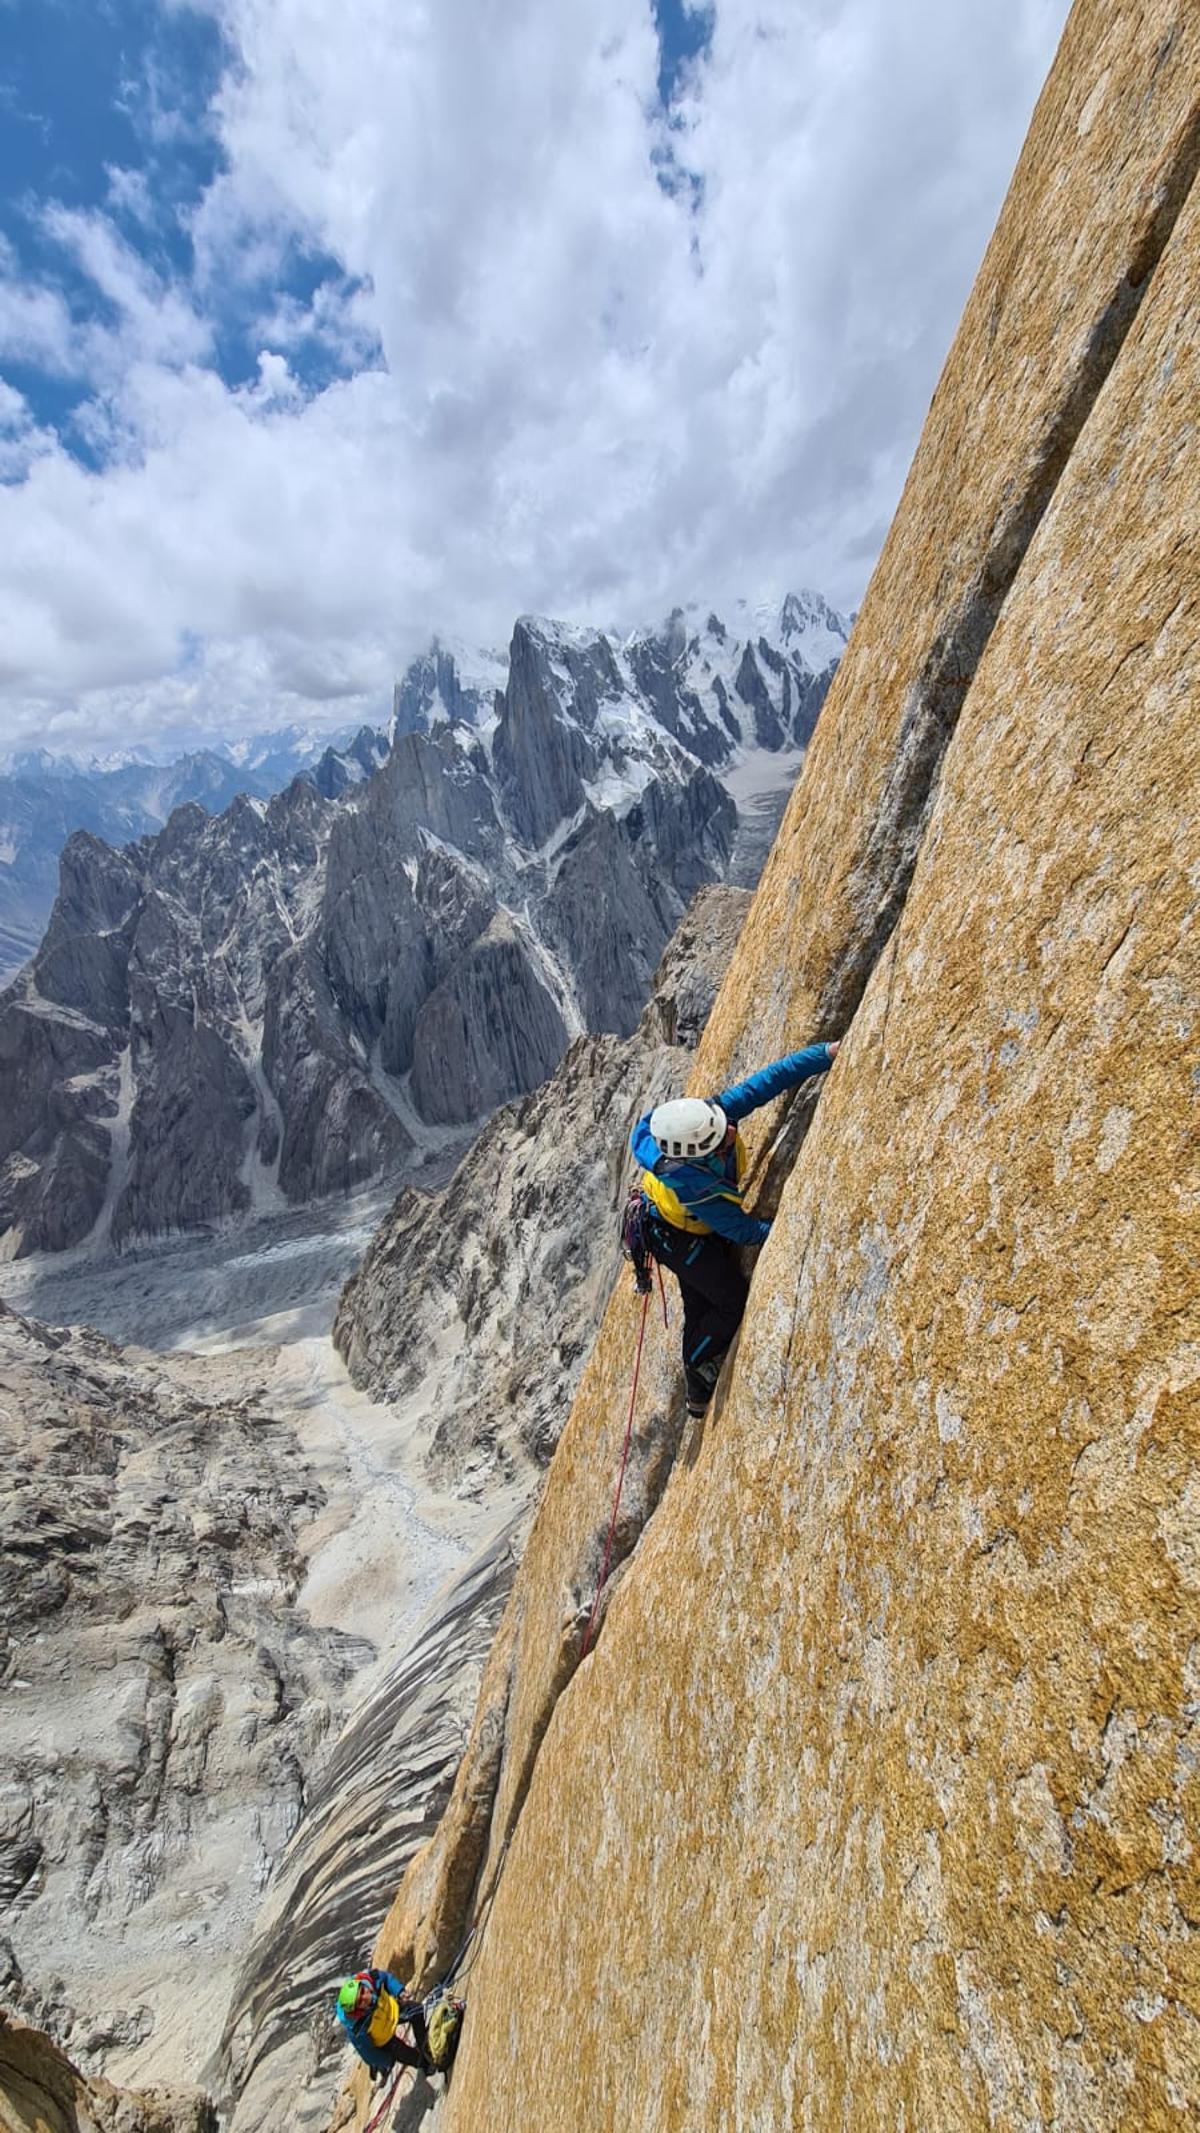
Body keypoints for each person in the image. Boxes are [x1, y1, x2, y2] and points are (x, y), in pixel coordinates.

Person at [630, 1042, 839, 1417]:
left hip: (682, 1226)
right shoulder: (694, 1186)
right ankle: (697, 1366)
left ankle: (696, 1392)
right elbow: (742, 1230)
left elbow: (771, 1080)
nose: (730, 1130)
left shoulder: (710, 1120)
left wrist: (825, 1054)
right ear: (697, 1153)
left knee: (703, 1297)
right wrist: (795, 1226)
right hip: (674, 1237)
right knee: (727, 1299)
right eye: (719, 1137)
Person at [335, 1967, 434, 2082]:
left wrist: (399, 1991)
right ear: (357, 2010)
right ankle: (424, 2065)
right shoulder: (356, 2028)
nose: (365, 1997)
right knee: (405, 2054)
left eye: (362, 1991)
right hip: (384, 2039)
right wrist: (386, 2060)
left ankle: (424, 2045)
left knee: (416, 2010)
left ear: (361, 1984)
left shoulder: (373, 1978)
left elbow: (387, 1978)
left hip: (392, 2011)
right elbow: (368, 2053)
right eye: (360, 2001)